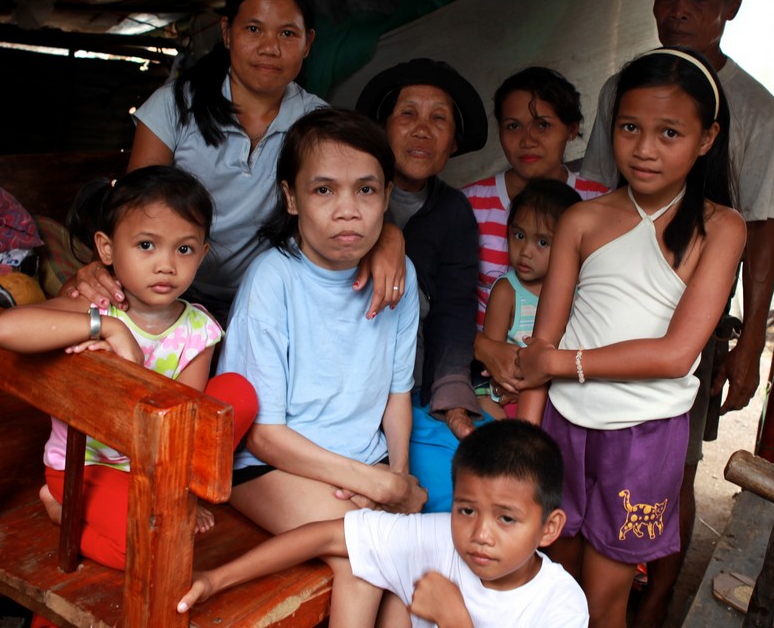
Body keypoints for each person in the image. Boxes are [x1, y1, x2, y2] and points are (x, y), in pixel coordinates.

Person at [577, 0, 774, 623]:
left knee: (673, 467)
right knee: (584, 468)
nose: (679, 8)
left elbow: (761, 228)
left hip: (690, 319)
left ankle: (657, 603)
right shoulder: (622, 88)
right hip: (607, 311)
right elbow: (594, 196)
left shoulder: (755, 109)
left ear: (731, 7)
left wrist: (750, 342)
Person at [515, 48, 745, 627]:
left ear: (706, 138)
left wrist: (562, 363)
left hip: (646, 438)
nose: (645, 149)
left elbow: (675, 355)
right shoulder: (582, 220)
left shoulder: (721, 228)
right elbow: (540, 349)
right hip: (563, 425)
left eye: (669, 132)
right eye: (629, 128)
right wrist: (524, 444)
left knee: (603, 600)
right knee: (554, 582)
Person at [64, 0, 404, 325]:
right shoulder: (174, 105)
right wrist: (100, 267)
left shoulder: (319, 124)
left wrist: (390, 235)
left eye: (288, 33)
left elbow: (359, 194)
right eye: (253, 29)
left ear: (308, 43)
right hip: (168, 292)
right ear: (227, 32)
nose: (270, 48)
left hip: (272, 298)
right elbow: (134, 212)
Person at [0, 165, 258, 572]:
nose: (166, 265)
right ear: (107, 249)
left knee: (237, 392)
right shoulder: (97, 307)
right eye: (146, 245)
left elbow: (184, 422)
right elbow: (3, 329)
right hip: (87, 466)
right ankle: (61, 511)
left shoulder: (199, 330)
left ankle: (175, 499)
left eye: (184, 250)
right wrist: (109, 328)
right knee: (149, 547)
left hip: (154, 461)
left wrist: (181, 491)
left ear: (202, 254)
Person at [215, 108, 427, 627]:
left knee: (411, 566)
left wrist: (397, 476)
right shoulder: (273, 281)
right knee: (368, 555)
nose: (347, 211)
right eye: (324, 190)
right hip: (270, 468)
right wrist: (377, 486)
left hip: (364, 465)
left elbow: (397, 394)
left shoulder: (398, 275)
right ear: (291, 198)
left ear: (387, 196)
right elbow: (263, 436)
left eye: (366, 190)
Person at [177, 420, 589, 628]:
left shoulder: (561, 605)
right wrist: (215, 579)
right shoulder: (440, 538)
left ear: (549, 528)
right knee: (392, 589)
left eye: (506, 519)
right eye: (466, 510)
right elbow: (327, 536)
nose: (480, 534)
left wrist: (454, 620)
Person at [355, 58, 487, 512]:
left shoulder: (454, 212)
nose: (422, 130)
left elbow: (454, 311)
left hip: (412, 387)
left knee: (473, 478)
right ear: (382, 128)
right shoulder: (351, 193)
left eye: (439, 119)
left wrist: (451, 397)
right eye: (407, 114)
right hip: (345, 386)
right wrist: (388, 233)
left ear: (453, 144)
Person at [462, 68, 609, 331]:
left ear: (571, 129)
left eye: (542, 125)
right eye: (513, 126)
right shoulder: (468, 205)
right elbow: (449, 304)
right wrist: (485, 347)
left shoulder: (600, 204)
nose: (527, 140)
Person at [474, 178, 582, 423]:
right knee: (487, 409)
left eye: (542, 242)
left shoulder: (579, 293)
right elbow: (493, 360)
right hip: (507, 393)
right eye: (519, 235)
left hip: (556, 392)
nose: (525, 251)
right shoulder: (507, 291)